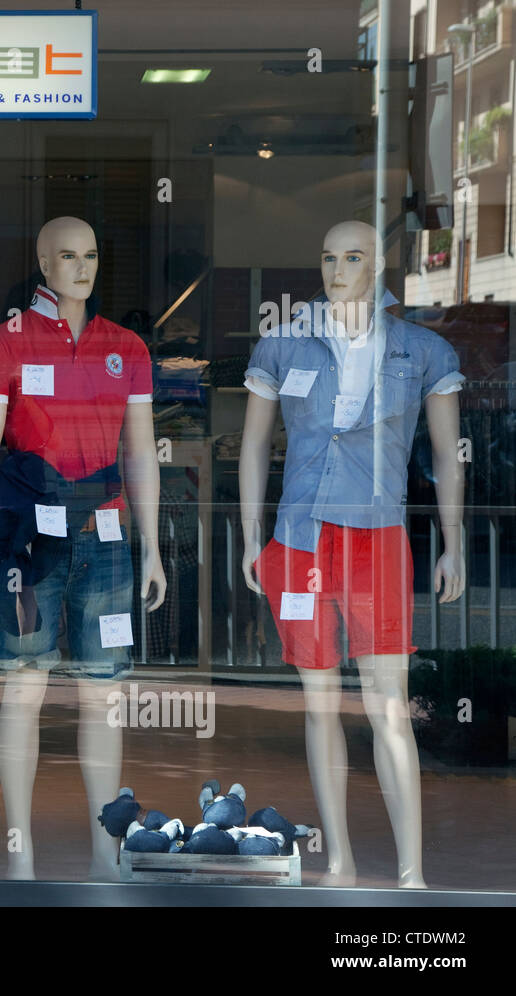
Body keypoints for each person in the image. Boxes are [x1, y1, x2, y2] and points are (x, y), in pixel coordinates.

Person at [238, 220, 465, 888]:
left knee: (389, 705)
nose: (338, 269)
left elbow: (447, 457)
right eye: (330, 257)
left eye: (354, 257)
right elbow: (254, 445)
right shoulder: (283, 345)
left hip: (378, 538)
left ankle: (411, 870)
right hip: (302, 536)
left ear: (380, 265)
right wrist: (253, 536)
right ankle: (337, 860)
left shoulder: (421, 349)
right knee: (319, 702)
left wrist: (454, 544)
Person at [0, 216, 167, 880]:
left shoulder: (126, 347)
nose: (81, 268)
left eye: (91, 255)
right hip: (29, 540)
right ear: (43, 263)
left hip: (105, 537)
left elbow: (140, 452)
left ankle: (105, 854)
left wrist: (154, 548)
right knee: (24, 690)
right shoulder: (4, 345)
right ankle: (18, 853)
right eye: (67, 257)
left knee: (104, 695)